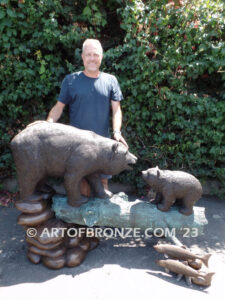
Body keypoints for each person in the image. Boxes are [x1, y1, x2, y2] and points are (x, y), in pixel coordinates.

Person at [46, 38, 128, 192]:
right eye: (88, 54)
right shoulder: (71, 81)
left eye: (96, 55)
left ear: (101, 57)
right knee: (83, 188)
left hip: (103, 147)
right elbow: (58, 107)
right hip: (78, 148)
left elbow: (116, 110)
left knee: (103, 188)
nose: (92, 58)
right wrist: (48, 125)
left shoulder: (111, 81)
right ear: (82, 57)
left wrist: (117, 132)